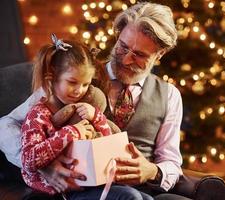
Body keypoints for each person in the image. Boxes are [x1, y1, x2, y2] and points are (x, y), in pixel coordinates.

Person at [0, 2, 225, 200]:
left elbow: (170, 161)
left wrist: (152, 171)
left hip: (141, 189)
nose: (127, 59)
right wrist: (44, 166)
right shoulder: (77, 77)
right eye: (123, 46)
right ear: (117, 36)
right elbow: (4, 126)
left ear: (160, 55)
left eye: (140, 55)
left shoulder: (169, 95)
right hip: (83, 187)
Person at [18, 34, 154, 200]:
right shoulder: (37, 115)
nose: (79, 90)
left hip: (91, 183)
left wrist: (97, 117)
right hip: (61, 191)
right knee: (130, 197)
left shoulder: (83, 108)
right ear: (51, 78)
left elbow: (106, 140)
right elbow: (28, 161)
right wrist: (71, 132)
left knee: (147, 199)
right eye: (72, 82)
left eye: (85, 84)